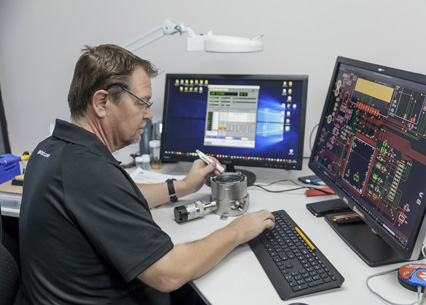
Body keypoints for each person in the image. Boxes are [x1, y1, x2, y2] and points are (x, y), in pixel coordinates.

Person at [19, 44, 275, 305]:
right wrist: (237, 231)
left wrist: (184, 186)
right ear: (102, 102)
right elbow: (168, 274)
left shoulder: (52, 149)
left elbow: (119, 196)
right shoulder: (89, 172)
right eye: (141, 103)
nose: (149, 114)